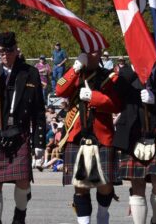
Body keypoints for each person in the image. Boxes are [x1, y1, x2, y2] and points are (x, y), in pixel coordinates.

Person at [0, 32, 46, 224]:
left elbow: (38, 110)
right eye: (1, 51)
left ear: (16, 49)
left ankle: (20, 215)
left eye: (9, 51)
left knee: (23, 181)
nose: (5, 55)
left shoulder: (29, 72)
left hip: (19, 131)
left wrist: (39, 143)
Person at [55, 49, 122, 224]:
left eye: (94, 52)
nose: (90, 55)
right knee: (80, 186)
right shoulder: (75, 74)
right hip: (77, 135)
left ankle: (102, 213)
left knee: (105, 185)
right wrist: (75, 68)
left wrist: (94, 97)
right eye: (86, 51)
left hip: (101, 135)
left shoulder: (109, 76)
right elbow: (60, 89)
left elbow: (116, 104)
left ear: (100, 54)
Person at [114, 62, 156, 224]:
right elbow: (116, 94)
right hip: (134, 136)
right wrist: (133, 68)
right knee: (137, 186)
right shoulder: (126, 73)